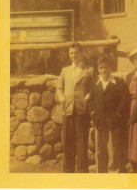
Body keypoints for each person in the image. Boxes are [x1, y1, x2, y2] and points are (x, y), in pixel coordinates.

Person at [89, 56, 130, 173]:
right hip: (99, 122)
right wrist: (93, 114)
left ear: (111, 68)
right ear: (98, 69)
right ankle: (101, 175)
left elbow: (124, 100)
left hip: (113, 122)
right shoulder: (95, 84)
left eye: (106, 67)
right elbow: (90, 101)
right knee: (100, 151)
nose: (103, 70)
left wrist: (117, 114)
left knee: (113, 151)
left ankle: (113, 174)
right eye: (101, 68)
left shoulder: (119, 82)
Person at [56, 42, 92, 173]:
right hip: (68, 111)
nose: (73, 55)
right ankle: (68, 173)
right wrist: (62, 98)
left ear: (81, 53)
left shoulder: (89, 70)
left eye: (76, 52)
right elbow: (59, 88)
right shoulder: (65, 71)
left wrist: (88, 97)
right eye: (71, 53)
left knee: (82, 144)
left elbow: (94, 88)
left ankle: (82, 173)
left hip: (82, 111)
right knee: (67, 143)